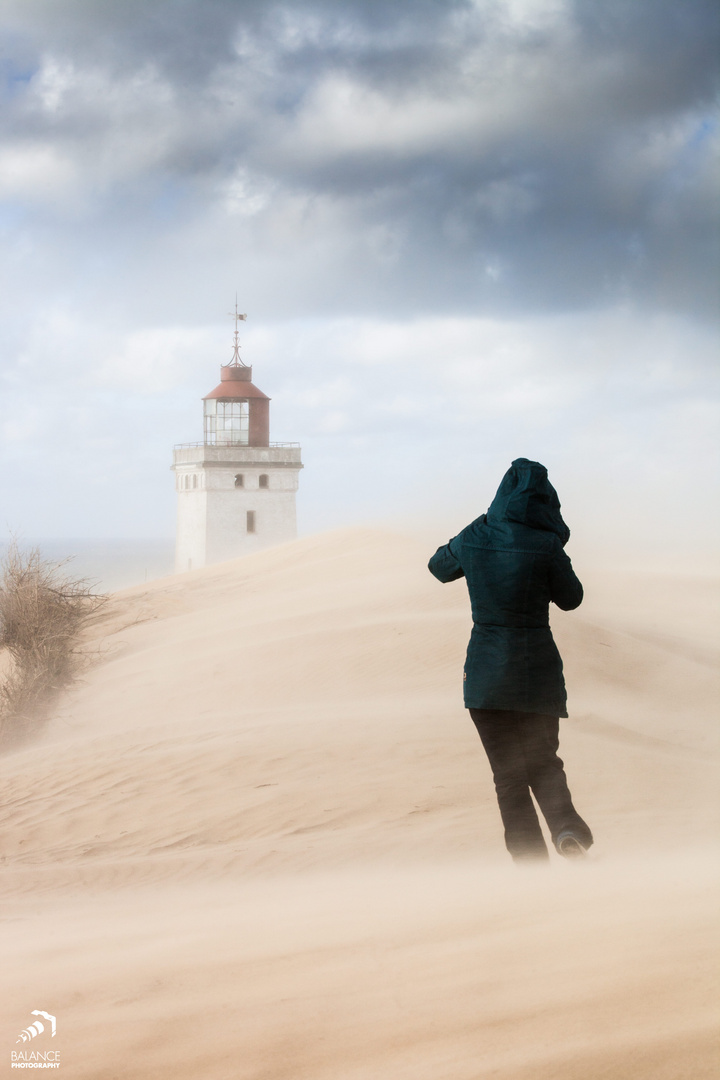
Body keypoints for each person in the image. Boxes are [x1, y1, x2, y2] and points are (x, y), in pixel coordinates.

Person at [428, 458, 593, 863]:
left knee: (508, 775)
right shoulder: (545, 544)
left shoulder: (477, 534)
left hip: (486, 676)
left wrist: (480, 527)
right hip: (536, 673)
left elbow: (438, 567)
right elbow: (572, 599)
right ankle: (568, 833)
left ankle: (529, 864)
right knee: (543, 762)